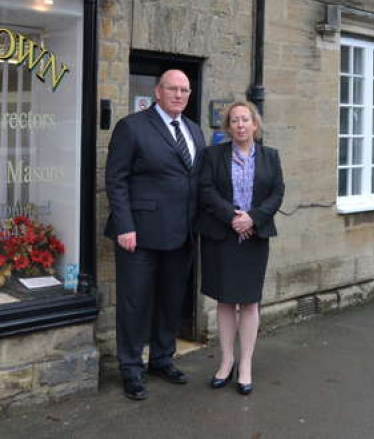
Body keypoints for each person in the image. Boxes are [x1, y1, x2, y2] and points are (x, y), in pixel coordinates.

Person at [104, 69, 206, 401]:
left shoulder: (193, 130)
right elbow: (115, 180)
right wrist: (125, 226)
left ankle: (162, 358)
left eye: (185, 90)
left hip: (182, 233)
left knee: (171, 299)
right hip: (140, 234)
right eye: (173, 89)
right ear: (158, 92)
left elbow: (197, 181)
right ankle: (131, 367)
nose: (179, 95)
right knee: (135, 303)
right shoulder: (132, 127)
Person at [198, 101, 285, 395]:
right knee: (224, 301)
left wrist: (253, 218)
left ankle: (245, 364)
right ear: (228, 127)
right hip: (223, 236)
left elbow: (277, 193)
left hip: (255, 237)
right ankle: (226, 361)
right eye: (234, 121)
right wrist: (232, 217)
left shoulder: (271, 157)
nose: (240, 125)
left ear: (255, 124)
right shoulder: (213, 155)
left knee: (249, 302)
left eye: (245, 120)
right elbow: (206, 190)